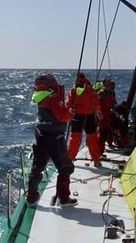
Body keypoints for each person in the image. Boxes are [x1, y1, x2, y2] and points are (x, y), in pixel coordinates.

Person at [26, 73, 76, 207]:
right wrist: (70, 113)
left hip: (41, 135)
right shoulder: (53, 98)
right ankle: (64, 198)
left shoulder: (39, 97)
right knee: (65, 168)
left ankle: (31, 197)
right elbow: (62, 116)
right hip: (55, 137)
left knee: (37, 167)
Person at [66, 72, 102, 166]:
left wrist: (68, 111)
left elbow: (68, 102)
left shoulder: (74, 89)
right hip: (89, 116)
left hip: (77, 116)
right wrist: (99, 111)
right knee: (92, 137)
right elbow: (95, 101)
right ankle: (96, 160)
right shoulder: (90, 89)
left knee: (75, 138)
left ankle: (70, 160)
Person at [95, 77, 117, 147]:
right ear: (104, 83)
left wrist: (115, 111)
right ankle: (100, 149)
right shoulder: (101, 92)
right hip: (101, 114)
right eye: (108, 81)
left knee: (108, 129)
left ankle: (109, 143)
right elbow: (95, 103)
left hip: (107, 114)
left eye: (110, 81)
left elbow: (113, 104)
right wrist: (97, 112)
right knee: (102, 131)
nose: (110, 82)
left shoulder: (111, 92)